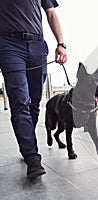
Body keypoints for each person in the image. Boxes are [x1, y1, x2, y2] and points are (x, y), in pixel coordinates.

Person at [0, 0, 67, 179]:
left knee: (34, 102)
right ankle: (32, 157)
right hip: (9, 45)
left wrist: (61, 43)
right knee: (20, 102)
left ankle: (26, 144)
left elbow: (51, 13)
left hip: (37, 45)